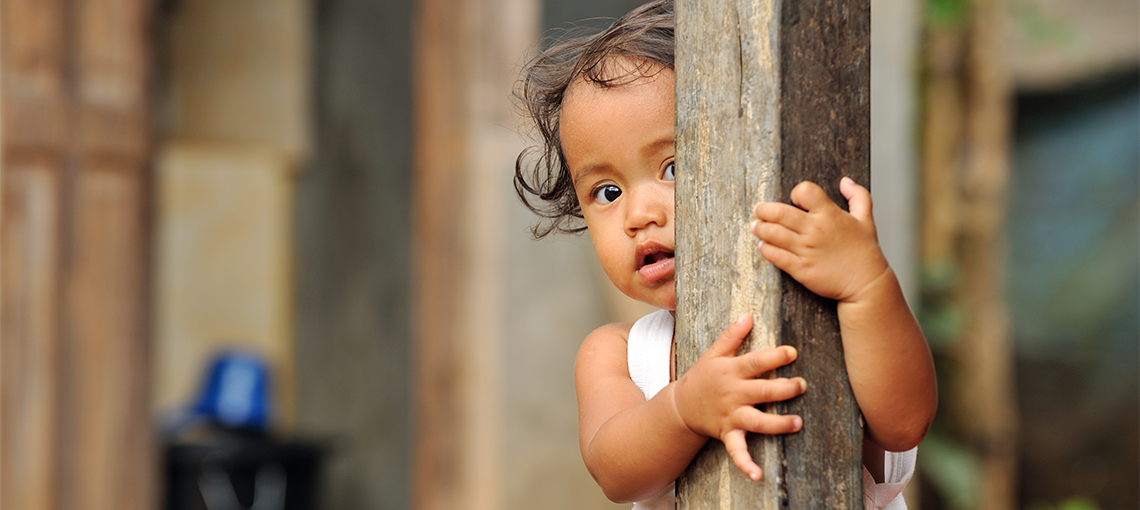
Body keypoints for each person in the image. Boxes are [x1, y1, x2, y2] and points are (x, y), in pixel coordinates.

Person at [513, 1, 937, 508]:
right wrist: (684, 408)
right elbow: (614, 472)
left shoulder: (829, 312)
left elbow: (904, 423)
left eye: (673, 168)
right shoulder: (619, 354)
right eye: (607, 192)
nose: (638, 215)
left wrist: (866, 285)